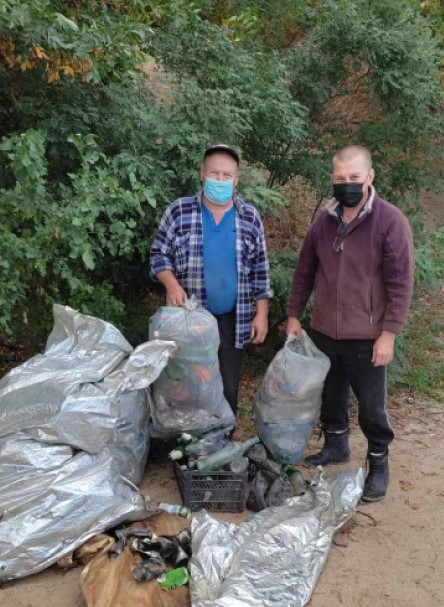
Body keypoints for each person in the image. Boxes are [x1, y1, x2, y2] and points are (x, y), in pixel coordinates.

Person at [285, 145, 414, 501]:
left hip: (368, 334)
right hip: (324, 328)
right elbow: (304, 271)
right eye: (340, 178)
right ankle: (336, 445)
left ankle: (378, 463)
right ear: (332, 178)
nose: (347, 184)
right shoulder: (324, 222)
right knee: (330, 393)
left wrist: (389, 334)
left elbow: (401, 283)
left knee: (371, 405)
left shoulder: (390, 221)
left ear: (370, 176)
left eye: (354, 177)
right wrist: (294, 315)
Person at [150, 144, 272, 416]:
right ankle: (187, 439)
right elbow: (158, 254)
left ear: (236, 179)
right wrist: (171, 284)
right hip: (188, 321)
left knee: (227, 389)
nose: (220, 179)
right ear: (202, 174)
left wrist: (261, 314)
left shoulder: (250, 217)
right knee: (187, 387)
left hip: (232, 320)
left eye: (226, 175)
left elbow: (260, 269)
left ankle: (222, 438)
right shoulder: (179, 211)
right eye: (214, 173)